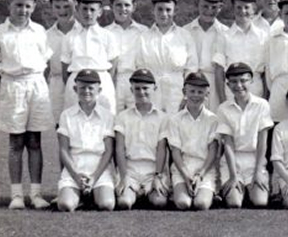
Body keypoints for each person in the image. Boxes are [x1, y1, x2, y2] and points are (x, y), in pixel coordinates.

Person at [0, 0, 54, 209]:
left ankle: (36, 194)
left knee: (34, 141)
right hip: (12, 86)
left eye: (27, 6)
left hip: (36, 85)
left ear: (33, 7)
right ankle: (16, 195)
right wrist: (6, 89)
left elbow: (45, 65)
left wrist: (37, 84)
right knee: (15, 142)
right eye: (18, 5)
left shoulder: (40, 31)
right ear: (10, 4)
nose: (22, 10)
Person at [55, 69, 115, 212]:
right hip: (74, 168)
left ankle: (91, 193)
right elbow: (63, 150)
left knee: (107, 204)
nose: (86, 91)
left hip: (98, 170)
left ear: (99, 90)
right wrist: (76, 176)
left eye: (91, 88)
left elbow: (108, 151)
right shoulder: (66, 115)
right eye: (82, 87)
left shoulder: (107, 116)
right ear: (75, 89)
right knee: (65, 205)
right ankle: (79, 194)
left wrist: (94, 177)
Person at [217, 63, 273, 208]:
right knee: (234, 203)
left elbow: (262, 142)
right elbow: (228, 144)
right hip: (232, 161)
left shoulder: (262, 105)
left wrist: (258, 172)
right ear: (228, 84)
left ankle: (249, 189)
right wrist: (233, 176)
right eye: (234, 82)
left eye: (243, 80)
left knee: (260, 202)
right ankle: (238, 189)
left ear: (251, 81)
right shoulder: (223, 108)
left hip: (255, 160)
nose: (239, 85)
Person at [113, 69, 169, 209]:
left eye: (145, 88)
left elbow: (162, 149)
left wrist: (157, 176)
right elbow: (119, 149)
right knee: (124, 202)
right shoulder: (123, 116)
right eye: (137, 88)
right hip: (130, 169)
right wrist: (124, 176)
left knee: (160, 202)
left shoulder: (163, 118)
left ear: (154, 88)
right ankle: (135, 192)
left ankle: (146, 192)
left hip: (152, 169)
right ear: (131, 90)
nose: (141, 92)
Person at [134, 0, 198, 113]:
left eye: (168, 10)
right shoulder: (143, 37)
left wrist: (186, 96)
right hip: (152, 93)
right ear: (153, 11)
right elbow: (139, 68)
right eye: (160, 9)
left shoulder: (185, 36)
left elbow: (191, 69)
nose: (164, 14)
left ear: (175, 11)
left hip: (177, 93)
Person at [166, 72, 221, 210]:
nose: (196, 95)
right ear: (184, 92)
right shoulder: (175, 120)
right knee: (183, 203)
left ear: (207, 94)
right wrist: (186, 176)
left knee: (201, 204)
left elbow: (213, 151)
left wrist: (200, 175)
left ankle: (209, 192)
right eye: (192, 91)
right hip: (182, 169)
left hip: (205, 169)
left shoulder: (213, 119)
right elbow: (175, 152)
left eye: (200, 92)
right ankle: (177, 190)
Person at [61, 0, 119, 113]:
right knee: (74, 117)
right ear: (77, 10)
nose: (88, 13)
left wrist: (101, 80)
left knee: (105, 117)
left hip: (101, 82)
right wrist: (76, 82)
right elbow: (65, 68)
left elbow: (113, 65)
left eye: (92, 9)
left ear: (100, 12)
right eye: (84, 9)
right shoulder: (69, 37)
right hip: (77, 82)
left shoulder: (107, 36)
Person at [212, 0, 270, 103]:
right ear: (233, 9)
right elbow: (219, 71)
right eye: (238, 7)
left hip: (256, 91)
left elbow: (266, 71)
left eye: (247, 7)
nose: (242, 11)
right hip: (231, 92)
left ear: (253, 10)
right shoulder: (224, 36)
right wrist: (223, 100)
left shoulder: (263, 36)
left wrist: (265, 97)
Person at [106, 0, 146, 112]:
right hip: (112, 80)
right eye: (118, 5)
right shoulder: (105, 32)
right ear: (111, 6)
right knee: (112, 116)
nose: (123, 9)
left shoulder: (144, 32)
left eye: (127, 5)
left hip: (137, 80)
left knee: (136, 116)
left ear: (134, 7)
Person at [190, 0, 228, 111]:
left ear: (220, 7)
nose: (209, 11)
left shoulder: (226, 33)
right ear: (197, 4)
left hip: (216, 85)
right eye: (205, 6)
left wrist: (223, 100)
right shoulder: (185, 31)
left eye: (214, 7)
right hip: (191, 85)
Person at [46, 0, 78, 122]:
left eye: (66, 6)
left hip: (80, 84)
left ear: (75, 4)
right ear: (52, 8)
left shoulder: (84, 32)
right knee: (60, 126)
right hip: (57, 85)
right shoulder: (46, 35)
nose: (62, 11)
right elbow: (45, 68)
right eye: (57, 7)